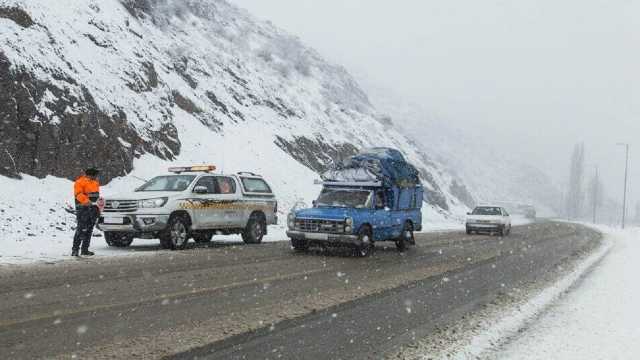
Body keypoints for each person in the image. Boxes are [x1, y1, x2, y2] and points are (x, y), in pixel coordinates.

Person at [72, 167, 101, 257]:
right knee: (81, 229)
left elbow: (96, 196)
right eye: (96, 175)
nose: (97, 176)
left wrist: (98, 207)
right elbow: (78, 194)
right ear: (91, 175)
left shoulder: (95, 183)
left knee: (89, 229)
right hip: (83, 208)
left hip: (93, 208)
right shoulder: (79, 182)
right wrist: (86, 201)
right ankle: (75, 250)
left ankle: (85, 249)